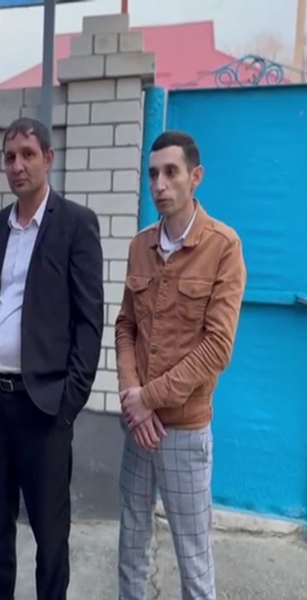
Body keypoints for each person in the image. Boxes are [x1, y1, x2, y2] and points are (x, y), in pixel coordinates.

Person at [0, 117, 104, 600]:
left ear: (48, 158)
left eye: (27, 155)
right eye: (10, 157)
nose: (17, 166)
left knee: (50, 535)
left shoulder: (76, 224)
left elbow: (89, 321)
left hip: (43, 406)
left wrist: (68, 403)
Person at [115, 131, 246, 600]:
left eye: (171, 172)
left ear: (196, 177)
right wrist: (133, 400)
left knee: (193, 560)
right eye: (153, 173)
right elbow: (126, 326)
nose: (159, 184)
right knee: (131, 547)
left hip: (185, 433)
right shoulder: (140, 246)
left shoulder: (223, 247)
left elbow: (217, 347)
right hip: (139, 429)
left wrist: (147, 399)